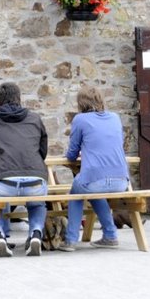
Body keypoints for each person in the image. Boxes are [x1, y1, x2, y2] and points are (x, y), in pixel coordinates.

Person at [0, 82, 48, 257]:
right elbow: (43, 151)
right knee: (38, 202)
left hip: (4, 181)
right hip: (35, 178)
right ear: (19, 97)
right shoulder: (35, 118)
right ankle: (35, 233)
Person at [59, 85, 130, 252]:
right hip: (121, 180)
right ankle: (110, 236)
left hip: (96, 179)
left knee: (78, 190)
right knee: (92, 189)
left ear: (81, 103)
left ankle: (70, 240)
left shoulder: (80, 120)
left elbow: (72, 153)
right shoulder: (114, 117)